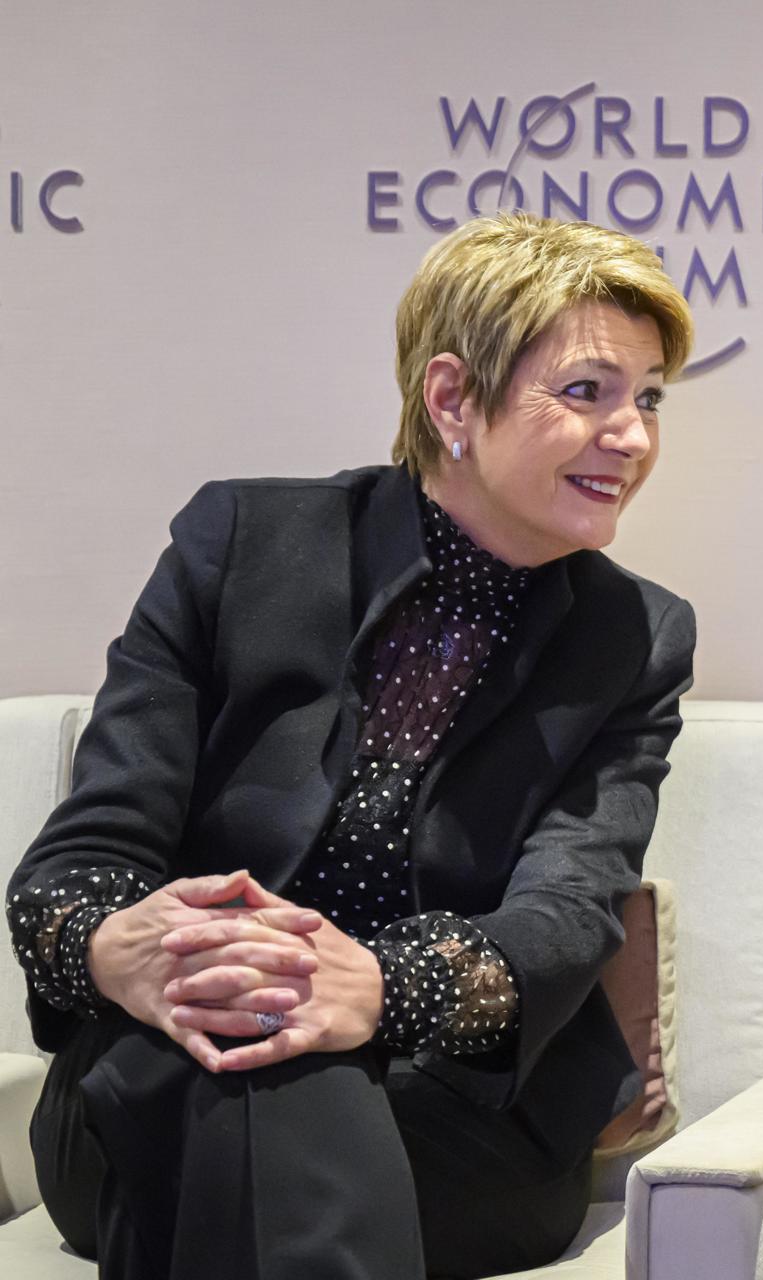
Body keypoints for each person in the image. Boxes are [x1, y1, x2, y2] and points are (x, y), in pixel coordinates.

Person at [6, 212, 697, 1278]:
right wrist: (124, 950)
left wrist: (373, 985)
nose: (634, 437)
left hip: (454, 1115)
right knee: (249, 1058)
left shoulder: (632, 635)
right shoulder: (241, 544)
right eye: (587, 392)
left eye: (646, 397)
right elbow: (83, 854)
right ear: (452, 397)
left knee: (263, 1082)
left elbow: (567, 911)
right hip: (165, 1054)